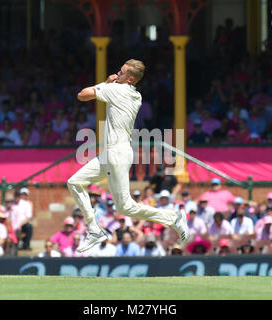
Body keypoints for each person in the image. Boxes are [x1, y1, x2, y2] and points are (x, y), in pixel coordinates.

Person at [67, 59, 189, 252]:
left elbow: (82, 95)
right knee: (74, 182)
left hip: (117, 154)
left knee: (126, 208)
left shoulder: (117, 89)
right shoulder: (136, 95)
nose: (117, 74)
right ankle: (93, 229)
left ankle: (173, 218)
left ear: (130, 79)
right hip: (112, 153)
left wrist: (106, 83)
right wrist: (111, 84)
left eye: (122, 73)